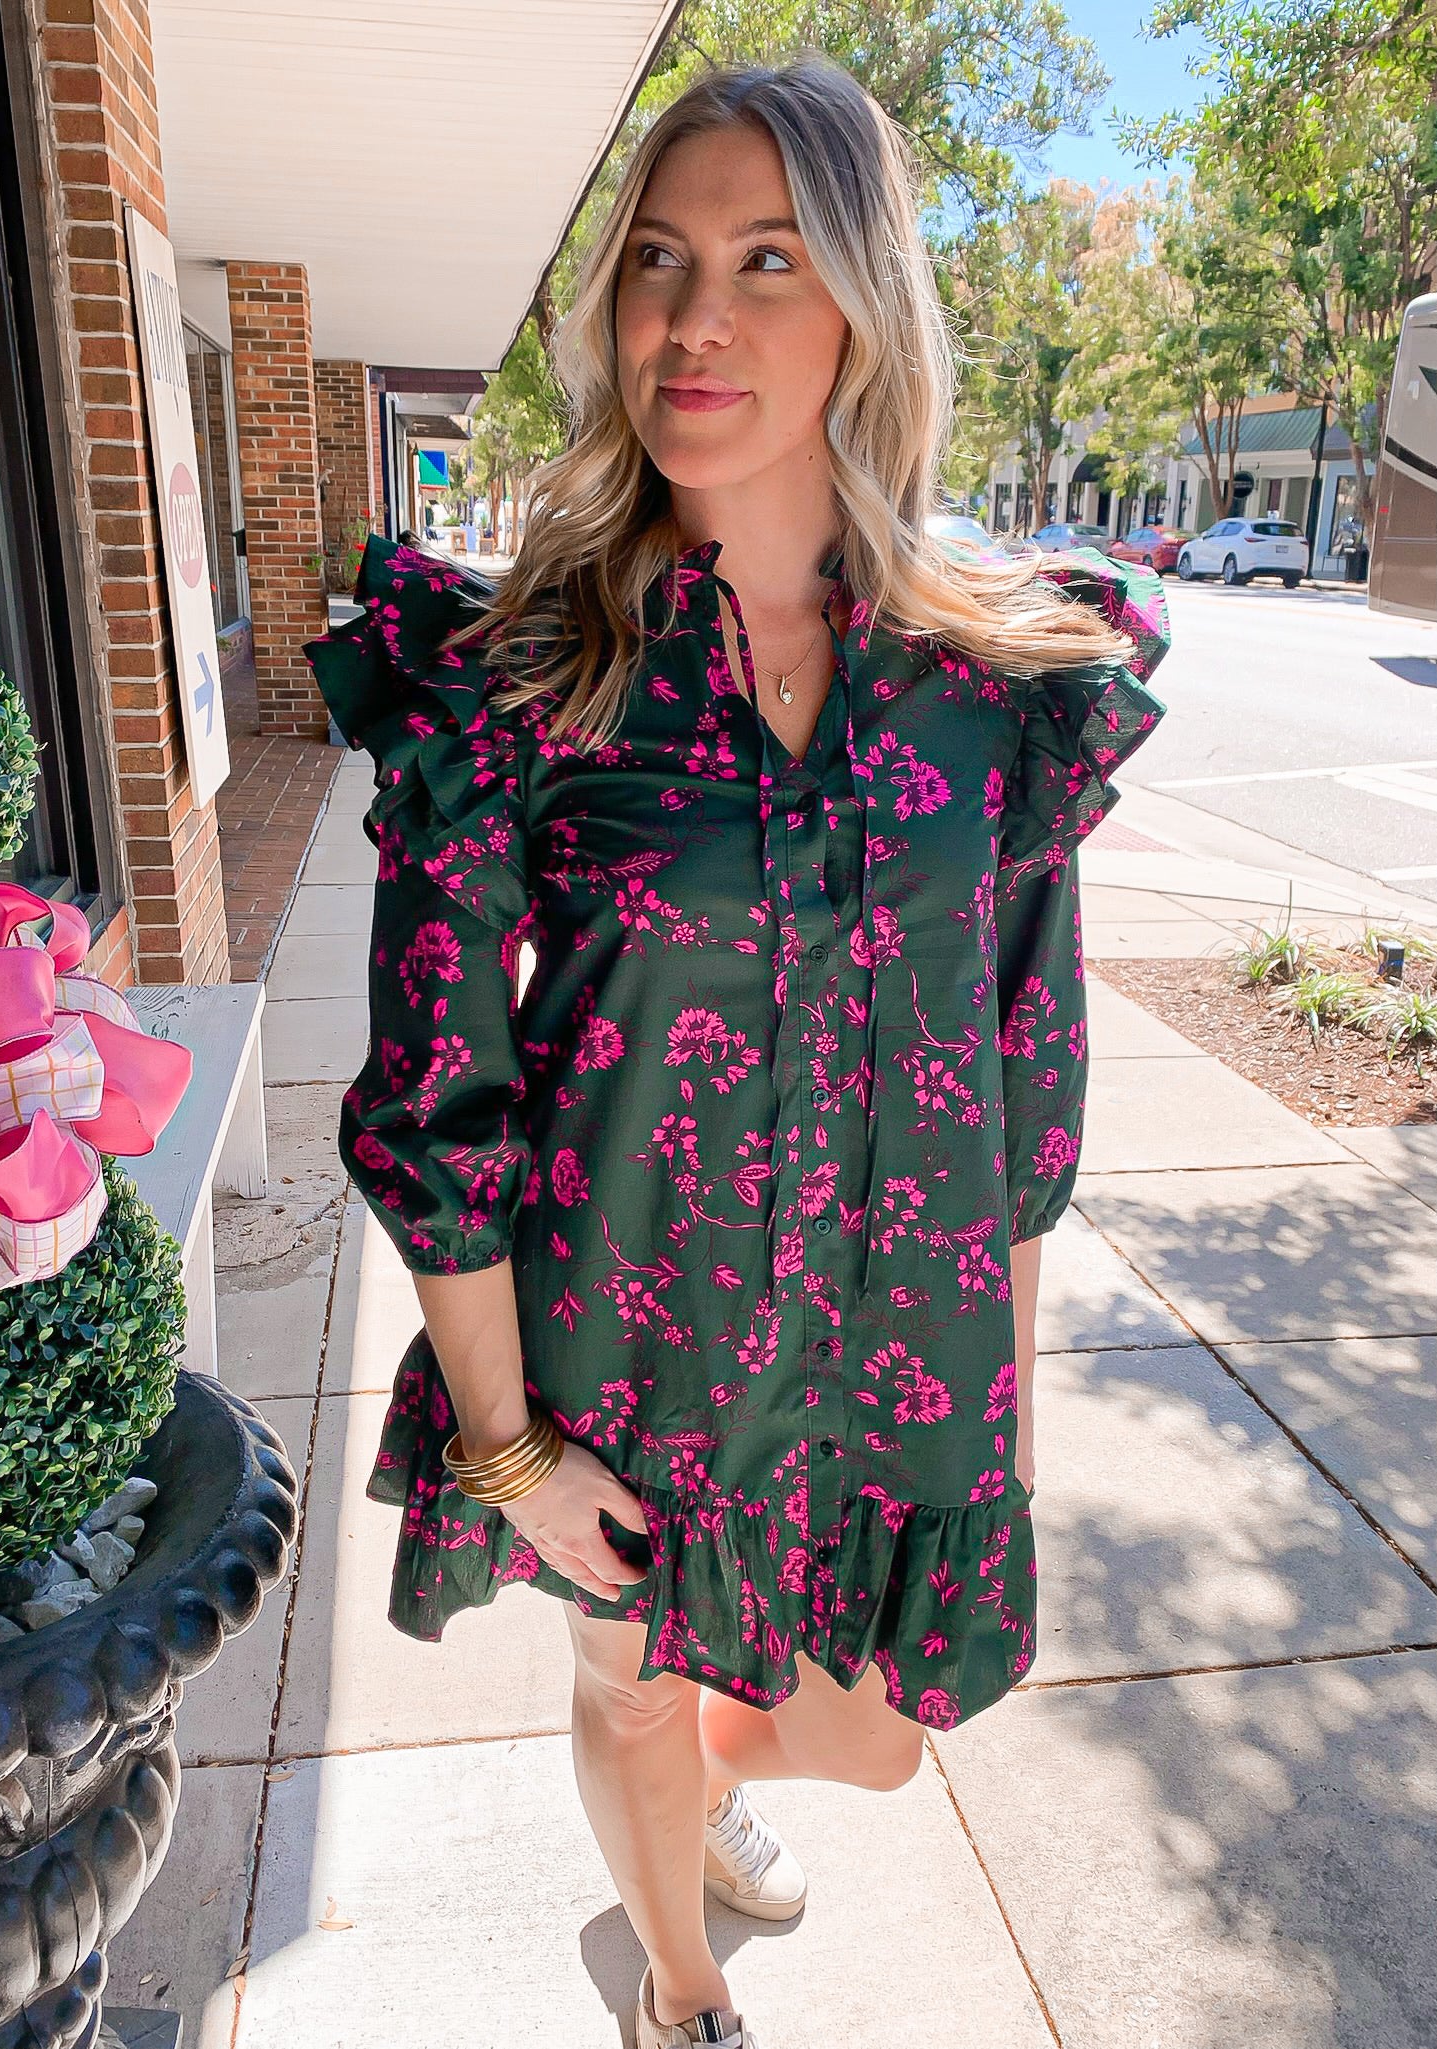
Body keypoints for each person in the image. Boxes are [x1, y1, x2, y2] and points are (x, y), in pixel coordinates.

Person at [304, 53, 1170, 2049]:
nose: (694, 319)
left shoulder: (991, 682)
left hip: (892, 1343)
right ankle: (676, 1987)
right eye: (659, 262)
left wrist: (1002, 1431)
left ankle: (700, 1793)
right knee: (625, 1686)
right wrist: (506, 1446)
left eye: (767, 259)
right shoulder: (523, 671)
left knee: (875, 1735)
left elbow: (1022, 1089)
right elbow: (436, 1098)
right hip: (622, 1335)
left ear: (862, 301)